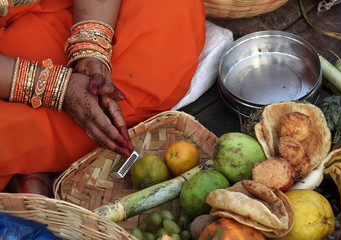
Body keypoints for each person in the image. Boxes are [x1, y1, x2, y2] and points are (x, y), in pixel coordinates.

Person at [0, 0, 206, 196]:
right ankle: (37, 147)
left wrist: (91, 50)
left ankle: (35, 150)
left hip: (68, 11)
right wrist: (59, 87)